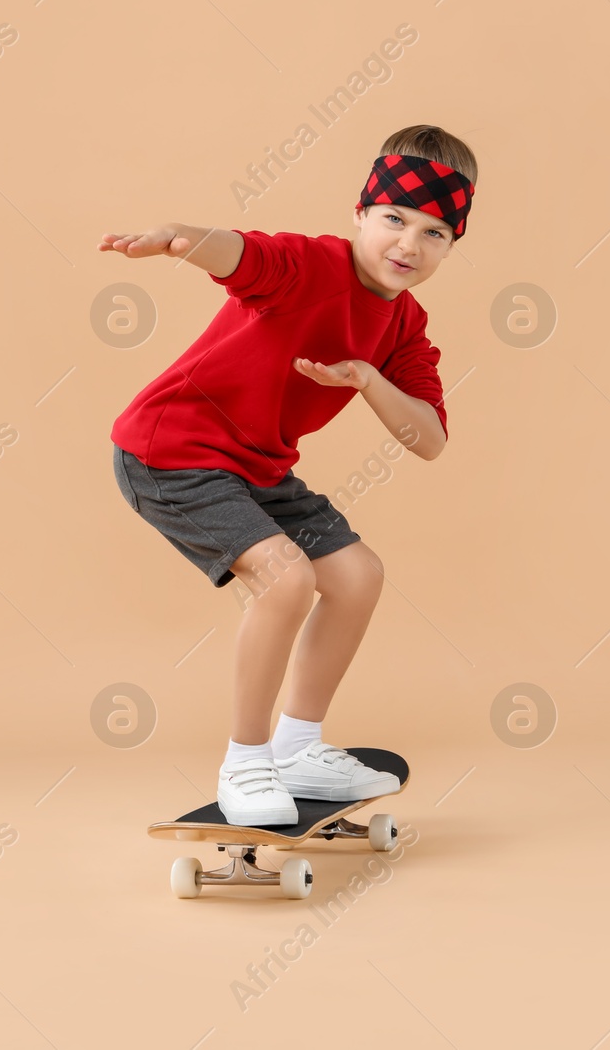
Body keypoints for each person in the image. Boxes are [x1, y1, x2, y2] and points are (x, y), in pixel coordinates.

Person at [105, 124, 477, 826]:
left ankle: (297, 747)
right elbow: (245, 255)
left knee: (357, 575)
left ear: (453, 244)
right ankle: (246, 762)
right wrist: (184, 237)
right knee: (286, 579)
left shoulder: (404, 326)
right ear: (361, 213)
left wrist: (368, 378)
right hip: (172, 450)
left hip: (256, 467)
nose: (408, 244)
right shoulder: (311, 267)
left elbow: (426, 438)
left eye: (435, 233)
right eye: (395, 219)